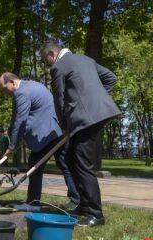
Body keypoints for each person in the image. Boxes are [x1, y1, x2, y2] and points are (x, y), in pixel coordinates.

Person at [40, 40, 120, 227]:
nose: (47, 64)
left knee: (82, 164)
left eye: (45, 60)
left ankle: (96, 213)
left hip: (84, 120)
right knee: (69, 158)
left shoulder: (58, 67)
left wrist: (64, 126)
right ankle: (84, 205)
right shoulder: (85, 59)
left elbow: (59, 100)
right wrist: (96, 97)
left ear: (52, 54)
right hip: (99, 114)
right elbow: (111, 78)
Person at [0, 72, 80, 208]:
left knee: (35, 167)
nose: (4, 92)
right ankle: (77, 200)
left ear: (12, 82)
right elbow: (20, 118)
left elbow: (21, 121)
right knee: (66, 165)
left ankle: (33, 202)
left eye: (4, 88)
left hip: (45, 135)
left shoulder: (21, 93)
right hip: (57, 131)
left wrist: (12, 146)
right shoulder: (33, 85)